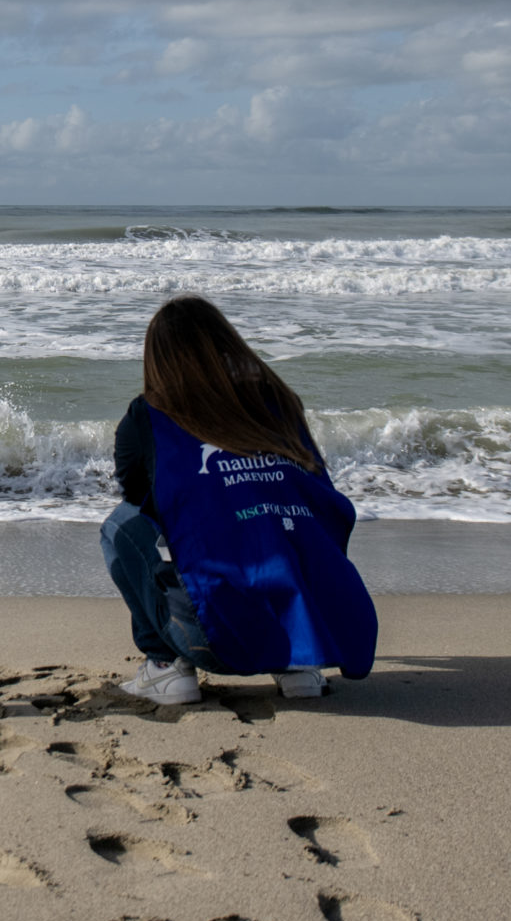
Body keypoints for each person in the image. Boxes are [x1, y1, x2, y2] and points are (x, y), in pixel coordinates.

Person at [104, 295, 378, 707]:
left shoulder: (150, 414)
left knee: (120, 526)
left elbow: (134, 492)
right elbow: (322, 499)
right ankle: (299, 665)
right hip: (317, 626)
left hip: (212, 638)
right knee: (284, 513)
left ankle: (165, 666)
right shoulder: (281, 401)